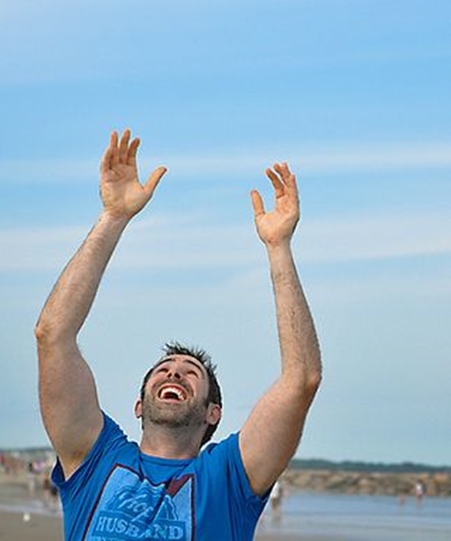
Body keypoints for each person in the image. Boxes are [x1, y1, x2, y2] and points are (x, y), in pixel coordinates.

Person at [35, 129, 322, 541]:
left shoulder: (228, 480)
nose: (173, 374)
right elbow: (52, 336)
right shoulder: (96, 458)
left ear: (213, 413)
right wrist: (113, 217)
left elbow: (301, 380)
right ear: (138, 404)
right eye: (164, 369)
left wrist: (279, 248)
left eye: (190, 373)